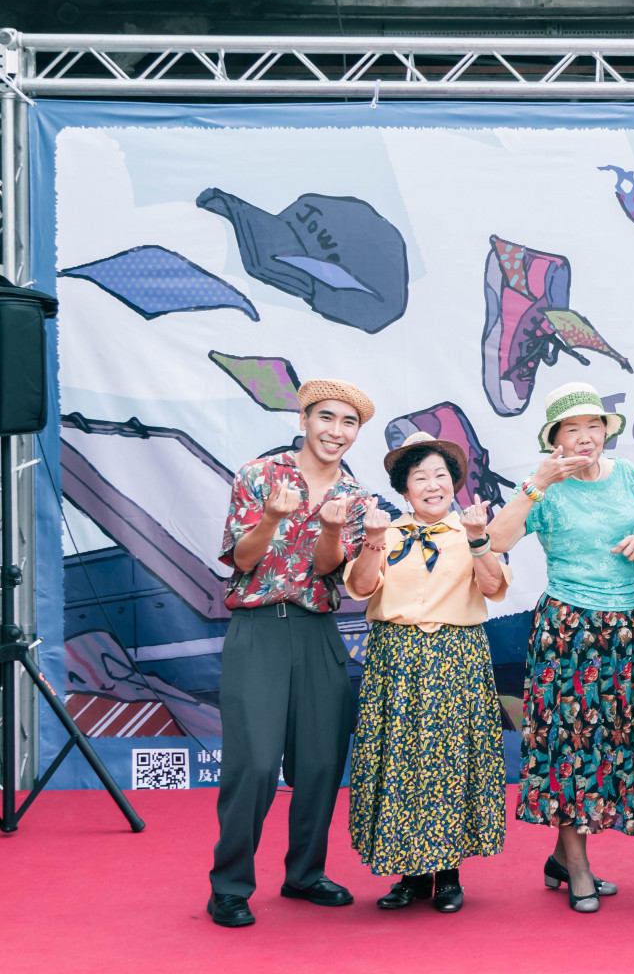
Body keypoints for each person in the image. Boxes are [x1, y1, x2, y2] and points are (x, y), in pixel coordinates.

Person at [207, 379, 375, 929]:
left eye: (348, 423)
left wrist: (332, 528)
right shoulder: (259, 475)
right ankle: (229, 885)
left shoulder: (354, 495)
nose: (336, 431)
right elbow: (242, 559)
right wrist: (273, 518)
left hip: (317, 630)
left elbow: (330, 571)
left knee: (321, 763)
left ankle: (304, 874)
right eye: (327, 418)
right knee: (254, 765)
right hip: (258, 628)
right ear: (304, 420)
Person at [488, 381, 634, 914]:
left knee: (611, 745)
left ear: (607, 431)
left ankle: (560, 860)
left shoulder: (628, 475)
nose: (586, 437)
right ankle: (578, 867)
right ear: (554, 439)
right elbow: (494, 541)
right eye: (572, 429)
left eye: (594, 426)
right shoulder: (546, 487)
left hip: (627, 629)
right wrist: (536, 484)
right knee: (569, 747)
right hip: (568, 631)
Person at [345, 432, 509, 914]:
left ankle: (449, 875)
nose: (432, 485)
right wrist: (373, 542)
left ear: (454, 484)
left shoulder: (472, 530)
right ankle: (411, 877)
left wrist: (478, 540)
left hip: (456, 656)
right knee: (400, 759)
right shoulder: (385, 533)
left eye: (441, 475)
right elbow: (360, 587)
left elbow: (493, 586)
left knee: (450, 762)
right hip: (396, 657)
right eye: (420, 477)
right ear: (404, 488)